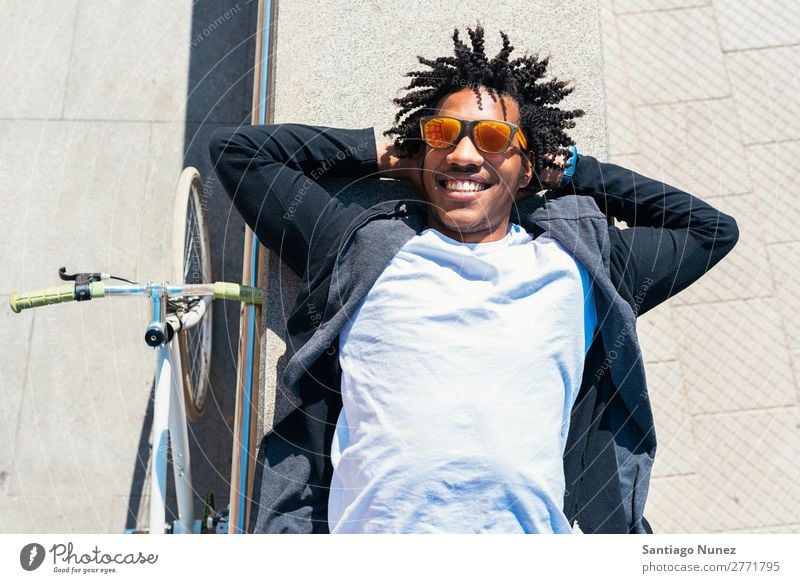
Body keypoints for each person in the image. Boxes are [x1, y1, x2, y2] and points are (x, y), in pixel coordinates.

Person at [209, 24, 738, 534]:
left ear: (527, 169)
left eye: (491, 138)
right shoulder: (359, 246)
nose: (464, 154)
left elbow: (710, 231)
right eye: (443, 134)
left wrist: (574, 168)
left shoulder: (576, 264)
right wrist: (392, 156)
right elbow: (239, 154)